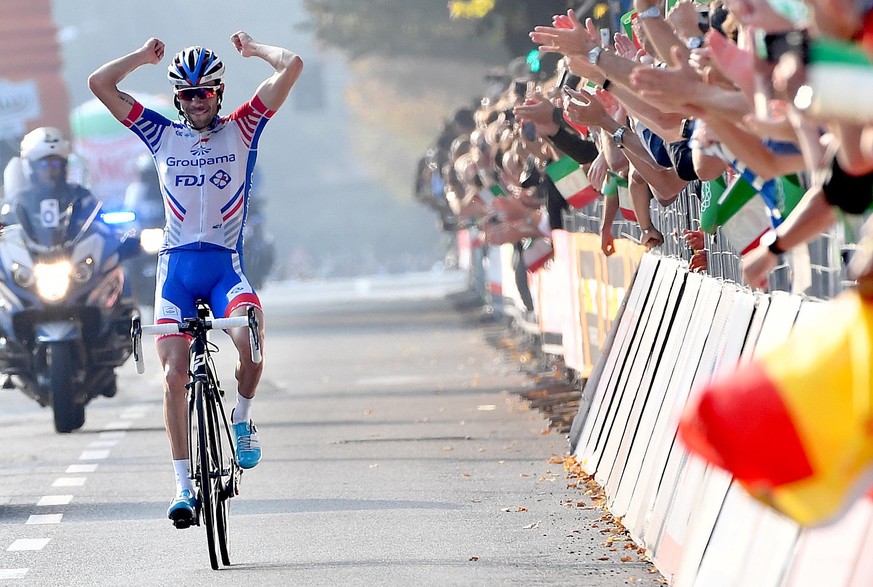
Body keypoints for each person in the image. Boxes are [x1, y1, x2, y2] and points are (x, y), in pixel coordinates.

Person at [88, 33, 303, 527]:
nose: (195, 101)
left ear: (219, 93)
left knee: (249, 333)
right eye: (185, 94)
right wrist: (141, 57)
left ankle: (243, 418)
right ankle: (183, 488)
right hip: (177, 273)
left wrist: (255, 49)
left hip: (224, 267)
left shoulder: (244, 127)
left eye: (203, 92)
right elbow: (100, 83)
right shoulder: (161, 133)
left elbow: (291, 65)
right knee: (173, 375)